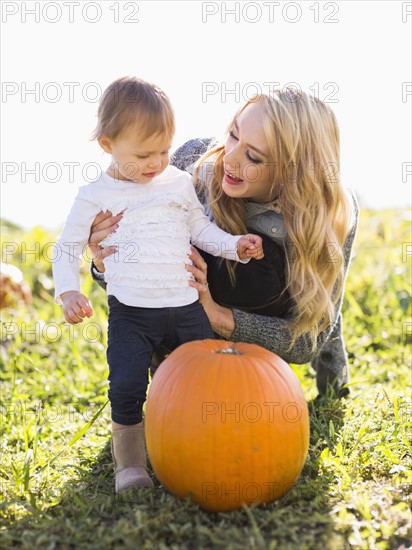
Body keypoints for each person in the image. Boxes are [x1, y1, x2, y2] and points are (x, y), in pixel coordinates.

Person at [52, 76, 264, 494]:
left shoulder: (177, 182)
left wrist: (235, 246)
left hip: (186, 306)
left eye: (165, 151)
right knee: (128, 386)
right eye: (144, 154)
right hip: (131, 312)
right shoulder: (95, 194)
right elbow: (65, 248)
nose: (156, 163)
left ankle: (204, 446)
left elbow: (199, 230)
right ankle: (130, 466)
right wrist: (69, 291)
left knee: (203, 381)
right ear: (107, 145)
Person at [90, 88, 359, 402]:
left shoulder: (330, 214)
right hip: (179, 334)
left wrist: (216, 315)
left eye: (253, 156)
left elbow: (311, 330)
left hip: (251, 358)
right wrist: (104, 264)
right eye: (233, 135)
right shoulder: (192, 167)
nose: (229, 158)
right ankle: (168, 372)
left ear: (293, 171)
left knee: (271, 264)